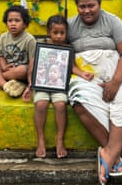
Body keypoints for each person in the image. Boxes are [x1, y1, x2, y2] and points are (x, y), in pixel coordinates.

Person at [67, 0, 122, 185]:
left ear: (99, 4)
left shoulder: (113, 22)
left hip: (116, 74)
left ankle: (108, 154)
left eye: (91, 6)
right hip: (85, 76)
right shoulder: (69, 26)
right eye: (82, 6)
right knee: (80, 100)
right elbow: (60, 53)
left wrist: (115, 82)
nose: (86, 10)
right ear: (76, 7)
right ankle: (112, 152)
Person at [22, 15, 92, 159]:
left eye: (62, 33)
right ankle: (40, 140)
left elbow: (72, 67)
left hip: (59, 85)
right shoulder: (42, 48)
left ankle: (60, 140)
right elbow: (32, 68)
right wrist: (30, 84)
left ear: (66, 33)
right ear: (49, 32)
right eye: (55, 33)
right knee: (40, 105)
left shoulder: (68, 49)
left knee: (60, 105)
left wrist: (82, 73)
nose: (59, 36)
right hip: (41, 85)